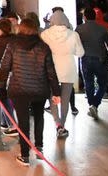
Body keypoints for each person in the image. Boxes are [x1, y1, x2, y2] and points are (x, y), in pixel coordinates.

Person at [0, 17, 61, 167]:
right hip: (40, 88)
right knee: (39, 117)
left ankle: (25, 155)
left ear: (21, 28)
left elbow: (5, 66)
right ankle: (39, 148)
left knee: (23, 121)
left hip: (19, 88)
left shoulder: (13, 45)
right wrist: (56, 92)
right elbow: (51, 72)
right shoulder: (44, 47)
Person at [40, 10, 83, 138]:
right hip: (68, 69)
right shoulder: (73, 34)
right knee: (65, 99)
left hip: (51, 69)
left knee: (52, 98)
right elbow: (80, 53)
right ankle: (63, 126)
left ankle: (57, 123)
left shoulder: (45, 34)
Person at [76, 6, 108, 120]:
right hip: (100, 59)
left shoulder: (79, 29)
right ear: (95, 16)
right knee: (103, 83)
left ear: (84, 17)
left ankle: (92, 104)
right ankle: (95, 104)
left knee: (88, 84)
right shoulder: (102, 28)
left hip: (85, 59)